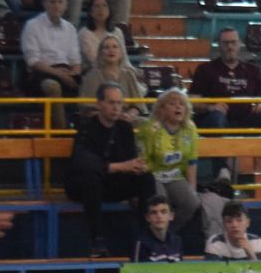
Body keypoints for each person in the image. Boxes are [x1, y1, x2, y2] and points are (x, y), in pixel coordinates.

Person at [65, 84, 154, 256]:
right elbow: (83, 162)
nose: (116, 108)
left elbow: (131, 160)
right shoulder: (86, 127)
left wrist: (137, 168)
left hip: (113, 183)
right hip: (85, 185)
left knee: (147, 179)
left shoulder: (125, 128)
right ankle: (97, 240)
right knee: (91, 179)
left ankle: (146, 237)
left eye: (119, 103)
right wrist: (120, 167)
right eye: (111, 102)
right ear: (99, 104)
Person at [191, 25, 261, 182]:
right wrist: (210, 107)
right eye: (226, 43)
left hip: (245, 118)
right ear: (219, 45)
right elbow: (192, 99)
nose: (230, 46)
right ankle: (221, 170)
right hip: (215, 120)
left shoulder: (253, 70)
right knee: (217, 118)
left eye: (233, 42)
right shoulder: (205, 69)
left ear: (239, 44)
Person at [139, 88, 222, 240]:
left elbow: (191, 162)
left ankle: (167, 235)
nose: (178, 107)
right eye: (172, 104)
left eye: (181, 104)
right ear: (162, 109)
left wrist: (192, 190)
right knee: (161, 204)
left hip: (175, 175)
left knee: (192, 202)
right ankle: (155, 238)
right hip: (153, 174)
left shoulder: (190, 128)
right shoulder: (151, 128)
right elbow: (143, 160)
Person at [20, 0, 81, 103]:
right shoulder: (32, 25)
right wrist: (60, 74)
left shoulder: (70, 28)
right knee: (53, 87)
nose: (56, 6)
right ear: (44, 4)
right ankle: (59, 117)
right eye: (52, 2)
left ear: (66, 5)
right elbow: (33, 62)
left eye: (60, 2)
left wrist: (72, 73)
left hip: (66, 72)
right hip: (41, 74)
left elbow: (75, 61)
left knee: (90, 83)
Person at [79, 34, 146, 119]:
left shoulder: (128, 75)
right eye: (106, 47)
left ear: (121, 53)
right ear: (100, 53)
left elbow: (138, 105)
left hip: (126, 119)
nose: (111, 50)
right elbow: (87, 108)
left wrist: (129, 115)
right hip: (100, 119)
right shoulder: (91, 76)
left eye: (115, 47)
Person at [130, 196, 183, 263]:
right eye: (154, 212)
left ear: (171, 216)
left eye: (164, 212)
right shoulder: (140, 243)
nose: (159, 216)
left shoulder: (177, 241)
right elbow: (135, 268)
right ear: (147, 217)